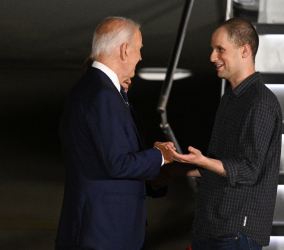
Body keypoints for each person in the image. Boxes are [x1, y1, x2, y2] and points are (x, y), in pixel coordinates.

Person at [55, 17, 174, 250]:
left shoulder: (98, 89)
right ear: (124, 50)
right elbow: (117, 162)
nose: (140, 57)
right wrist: (159, 155)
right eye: (139, 49)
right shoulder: (102, 94)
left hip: (101, 231)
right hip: (102, 234)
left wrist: (154, 176)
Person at [168, 18, 283, 249]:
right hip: (212, 227)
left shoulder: (260, 102)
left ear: (244, 50)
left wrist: (203, 161)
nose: (212, 57)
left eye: (220, 49)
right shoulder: (231, 97)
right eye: (213, 49)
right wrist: (180, 167)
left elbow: (249, 170)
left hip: (235, 232)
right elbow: (222, 166)